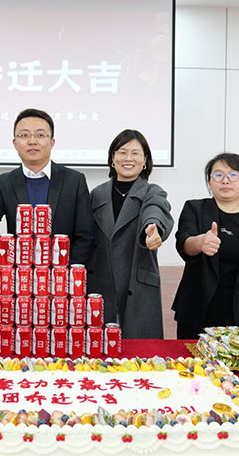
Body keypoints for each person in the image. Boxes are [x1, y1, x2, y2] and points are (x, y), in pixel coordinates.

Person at [0, 108, 94, 267]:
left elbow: (85, 236)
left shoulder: (74, 181)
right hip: (20, 276)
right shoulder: (4, 183)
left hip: (62, 275)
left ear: (52, 142)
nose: (32, 141)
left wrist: (64, 272)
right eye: (24, 135)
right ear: (15, 143)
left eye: (40, 135)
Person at [172, 153, 239, 340]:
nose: (225, 180)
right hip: (197, 311)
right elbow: (184, 243)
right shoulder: (194, 209)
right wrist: (200, 242)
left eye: (233, 175)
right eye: (218, 175)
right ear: (209, 181)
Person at [86, 129, 173, 338]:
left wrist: (153, 228)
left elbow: (156, 211)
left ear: (145, 161)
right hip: (100, 282)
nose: (128, 158)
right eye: (122, 152)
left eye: (135, 153)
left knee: (141, 351)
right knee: (99, 347)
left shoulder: (153, 192)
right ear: (112, 158)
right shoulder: (97, 194)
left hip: (137, 283)